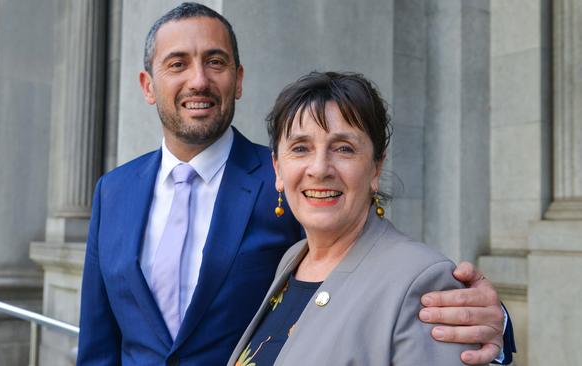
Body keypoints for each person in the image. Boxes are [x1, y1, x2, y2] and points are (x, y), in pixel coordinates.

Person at [77, 3, 514, 365]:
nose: (199, 80)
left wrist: (494, 327)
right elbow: (99, 343)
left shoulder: (290, 184)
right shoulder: (113, 191)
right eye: (178, 64)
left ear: (239, 79)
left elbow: (375, 277)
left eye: (215, 61)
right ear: (148, 86)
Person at [228, 71, 479, 365]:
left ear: (375, 167)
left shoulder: (423, 282)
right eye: (300, 148)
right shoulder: (293, 259)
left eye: (343, 148)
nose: (319, 169)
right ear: (278, 169)